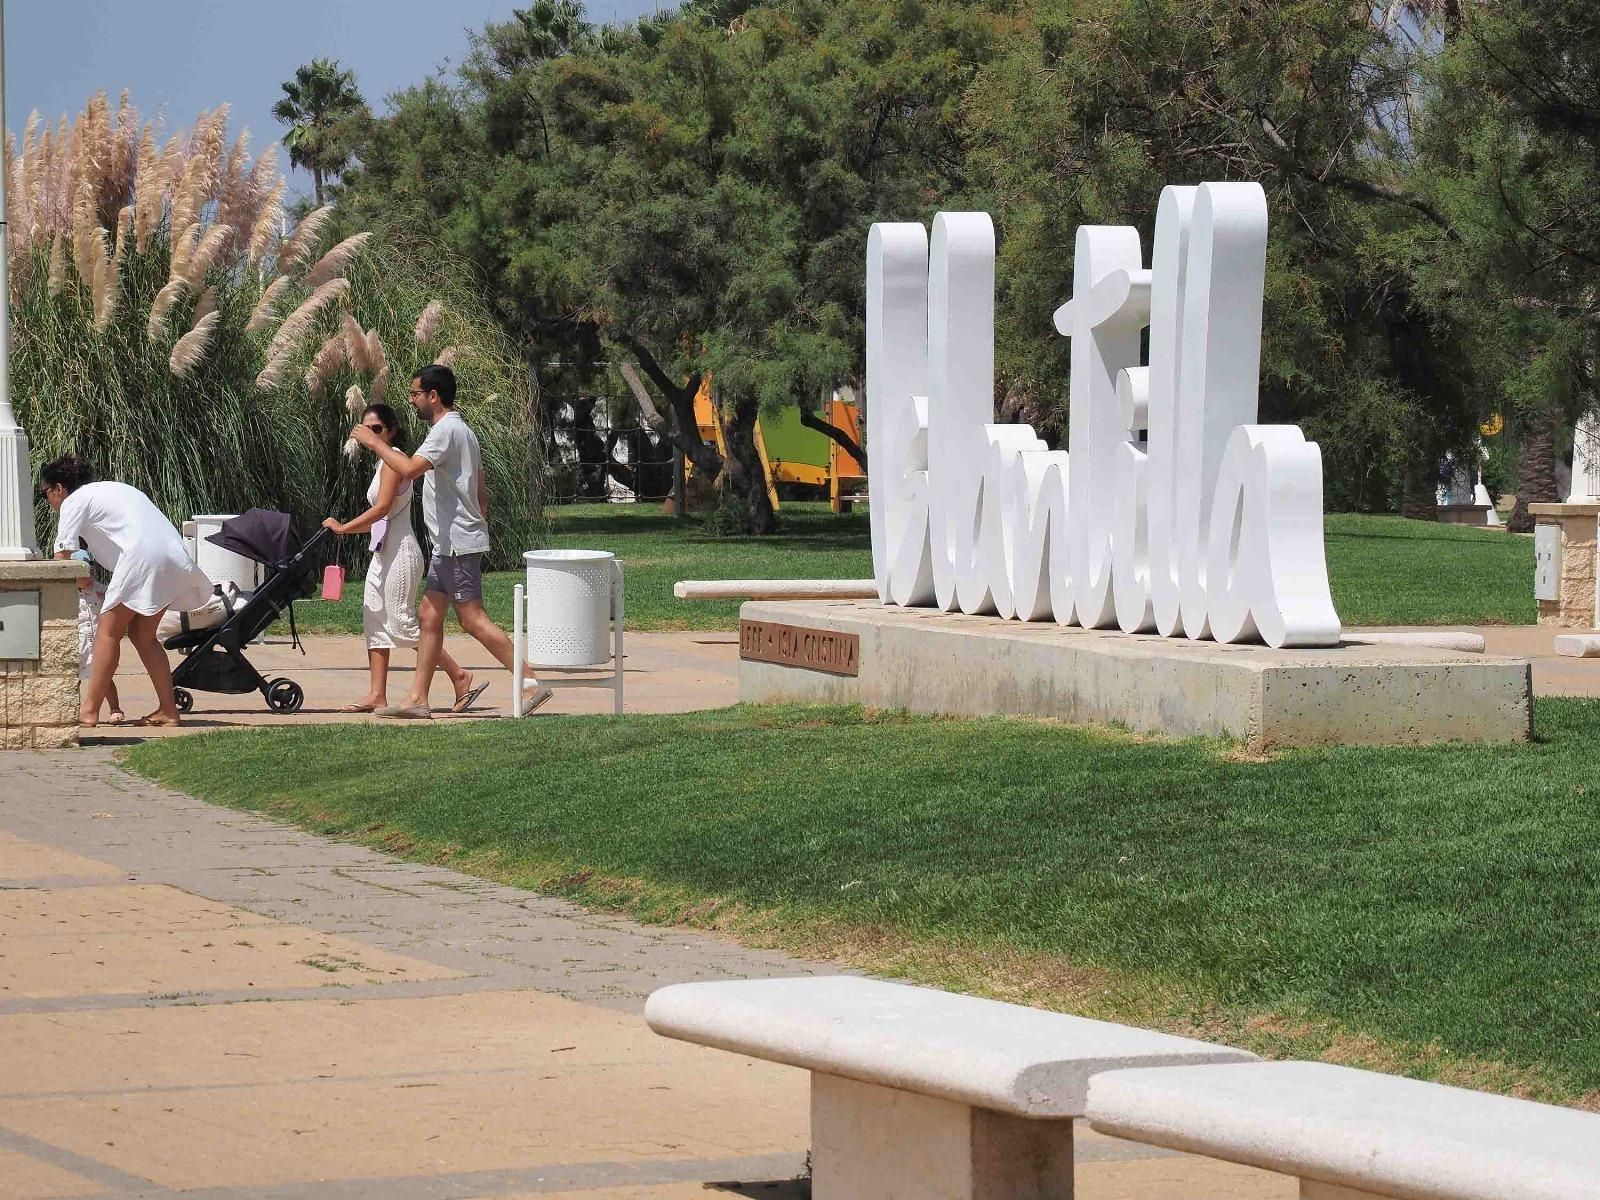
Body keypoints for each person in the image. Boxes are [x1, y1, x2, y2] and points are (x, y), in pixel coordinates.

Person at [348, 364, 552, 719]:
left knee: (472, 619)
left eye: (415, 394)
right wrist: (477, 519)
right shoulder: (460, 431)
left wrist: (375, 442)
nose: (411, 401)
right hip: (451, 543)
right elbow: (481, 483)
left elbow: (409, 469)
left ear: (433, 396)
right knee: (428, 616)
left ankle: (530, 682)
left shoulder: (445, 430)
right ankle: (417, 699)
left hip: (456, 543)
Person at [322, 403, 488, 714]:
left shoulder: (392, 462)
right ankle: (376, 694)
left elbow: (383, 508)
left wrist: (343, 528)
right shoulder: (383, 463)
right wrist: (350, 529)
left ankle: (459, 675)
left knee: (401, 621)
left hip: (402, 553)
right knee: (373, 618)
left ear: (391, 430)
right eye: (366, 429)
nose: (371, 435)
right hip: (384, 551)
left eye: (377, 429)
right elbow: (381, 518)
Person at [39, 454, 214, 727]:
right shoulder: (112, 489)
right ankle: (168, 711)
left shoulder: (74, 501)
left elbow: (62, 558)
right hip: (174, 556)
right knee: (143, 635)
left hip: (142, 557)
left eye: (45, 493)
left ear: (59, 488)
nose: (48, 501)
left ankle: (88, 712)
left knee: (107, 633)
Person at [71, 547, 124, 725]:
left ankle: (115, 708)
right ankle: (73, 709)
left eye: (89, 572)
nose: (87, 577)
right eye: (81, 574)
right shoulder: (67, 594)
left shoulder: (100, 590)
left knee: (104, 678)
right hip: (78, 644)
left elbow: (114, 599)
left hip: (99, 642)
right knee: (74, 680)